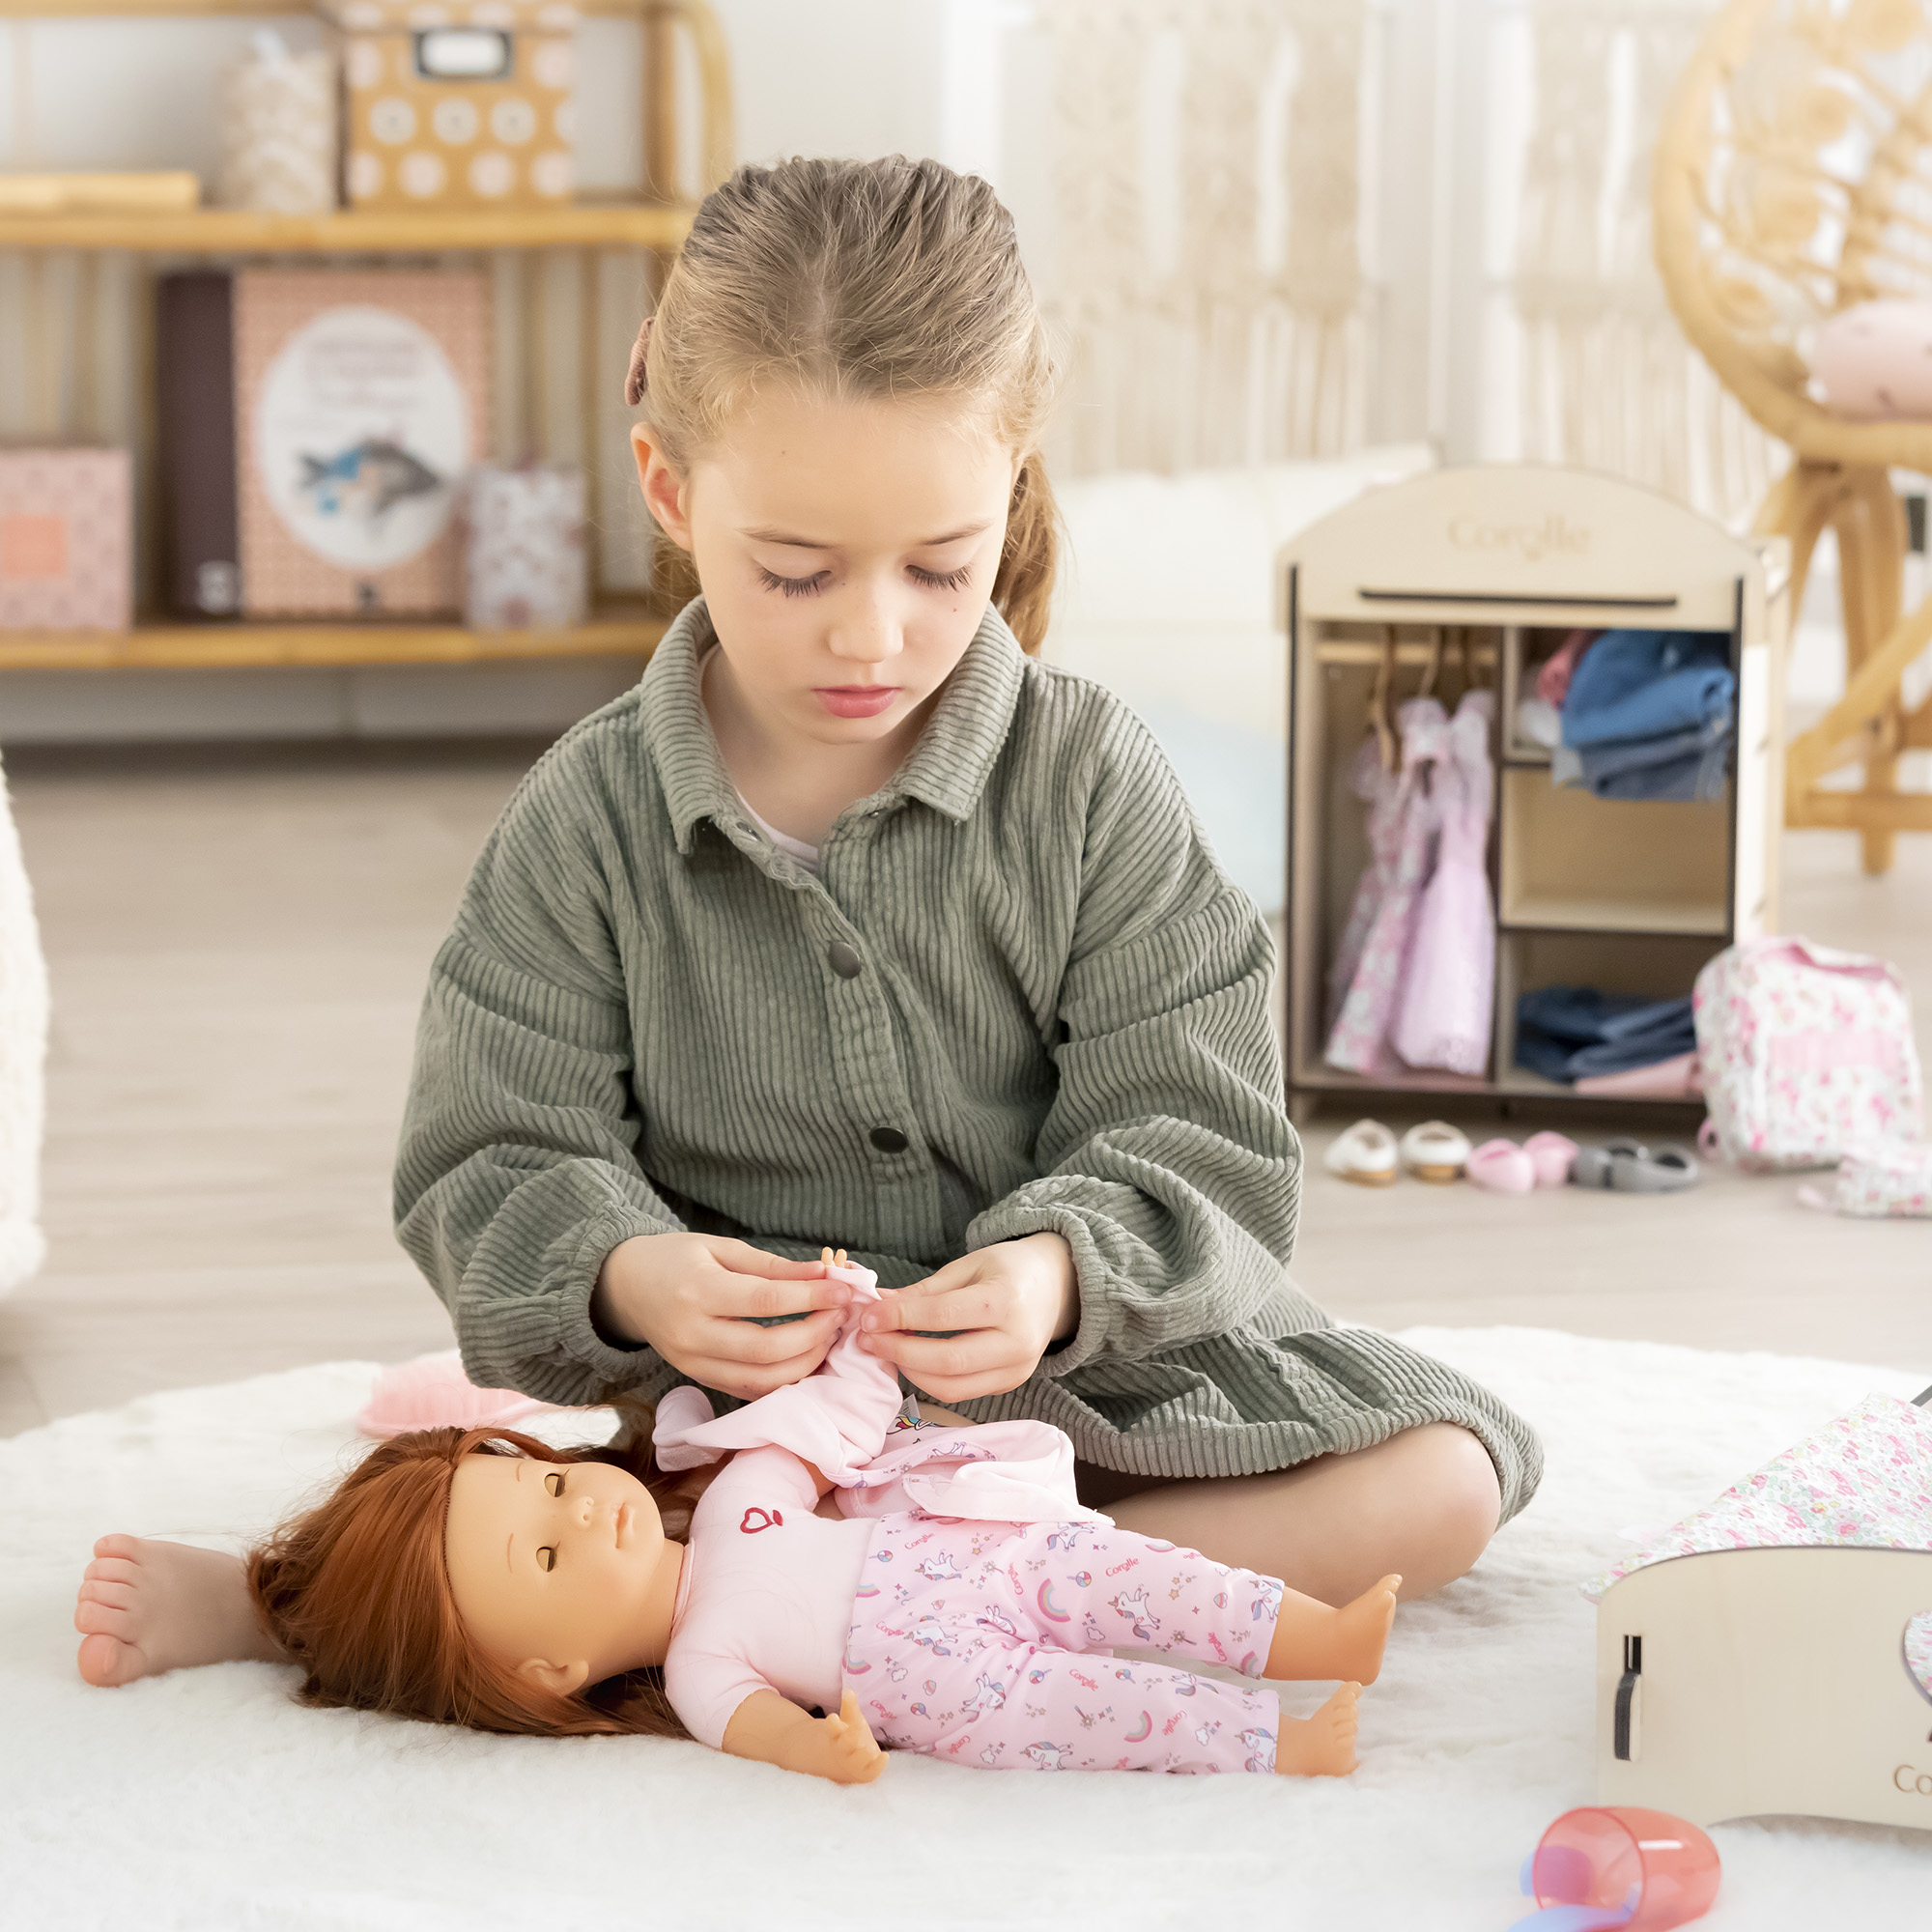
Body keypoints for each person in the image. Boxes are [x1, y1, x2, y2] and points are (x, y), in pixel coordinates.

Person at [74, 156, 1536, 1692]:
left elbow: (1202, 1125)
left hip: (1099, 1402)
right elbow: (488, 1157)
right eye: (795, 571)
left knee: (1445, 1481)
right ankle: (314, 1601)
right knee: (505, 1551)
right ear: (669, 489)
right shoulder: (586, 821)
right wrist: (635, 1275)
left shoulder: (1093, 781)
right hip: (758, 1455)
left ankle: (884, 1614)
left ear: (1013, 495)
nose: (870, 633)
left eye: (941, 567)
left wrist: (1054, 1274)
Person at [236, 1255, 1399, 1777]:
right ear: (550, 1666)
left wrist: (854, 1328)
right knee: (1107, 1712)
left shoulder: (735, 1497)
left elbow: (832, 1420)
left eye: (548, 1482)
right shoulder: (703, 1664)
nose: (582, 1506)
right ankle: (1274, 1743)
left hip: (986, 1552)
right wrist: (821, 1746)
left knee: (1149, 1576)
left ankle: (1318, 1635)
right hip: (959, 1694)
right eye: (545, 1549)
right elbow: (765, 1730)